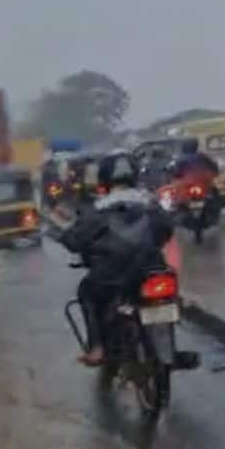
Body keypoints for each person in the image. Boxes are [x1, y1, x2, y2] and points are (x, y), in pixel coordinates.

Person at [58, 150, 175, 366]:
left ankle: (97, 347)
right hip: (152, 268)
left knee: (86, 292)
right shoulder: (151, 203)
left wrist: (65, 237)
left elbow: (75, 240)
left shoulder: (98, 209)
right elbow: (167, 230)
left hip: (112, 275)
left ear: (104, 177)